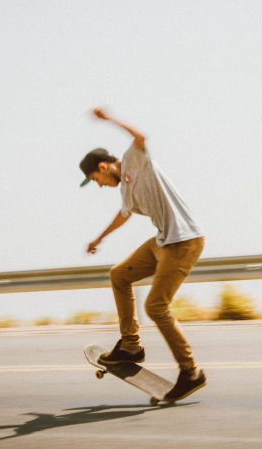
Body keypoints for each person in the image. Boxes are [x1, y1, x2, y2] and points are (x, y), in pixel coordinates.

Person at [79, 107, 206, 402]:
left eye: (96, 179)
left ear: (103, 167)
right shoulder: (124, 190)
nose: (98, 185)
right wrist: (99, 237)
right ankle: (131, 346)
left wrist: (108, 119)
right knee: (119, 275)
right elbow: (124, 215)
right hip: (164, 241)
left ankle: (191, 373)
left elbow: (140, 136)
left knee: (156, 307)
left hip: (184, 241)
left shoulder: (134, 161)